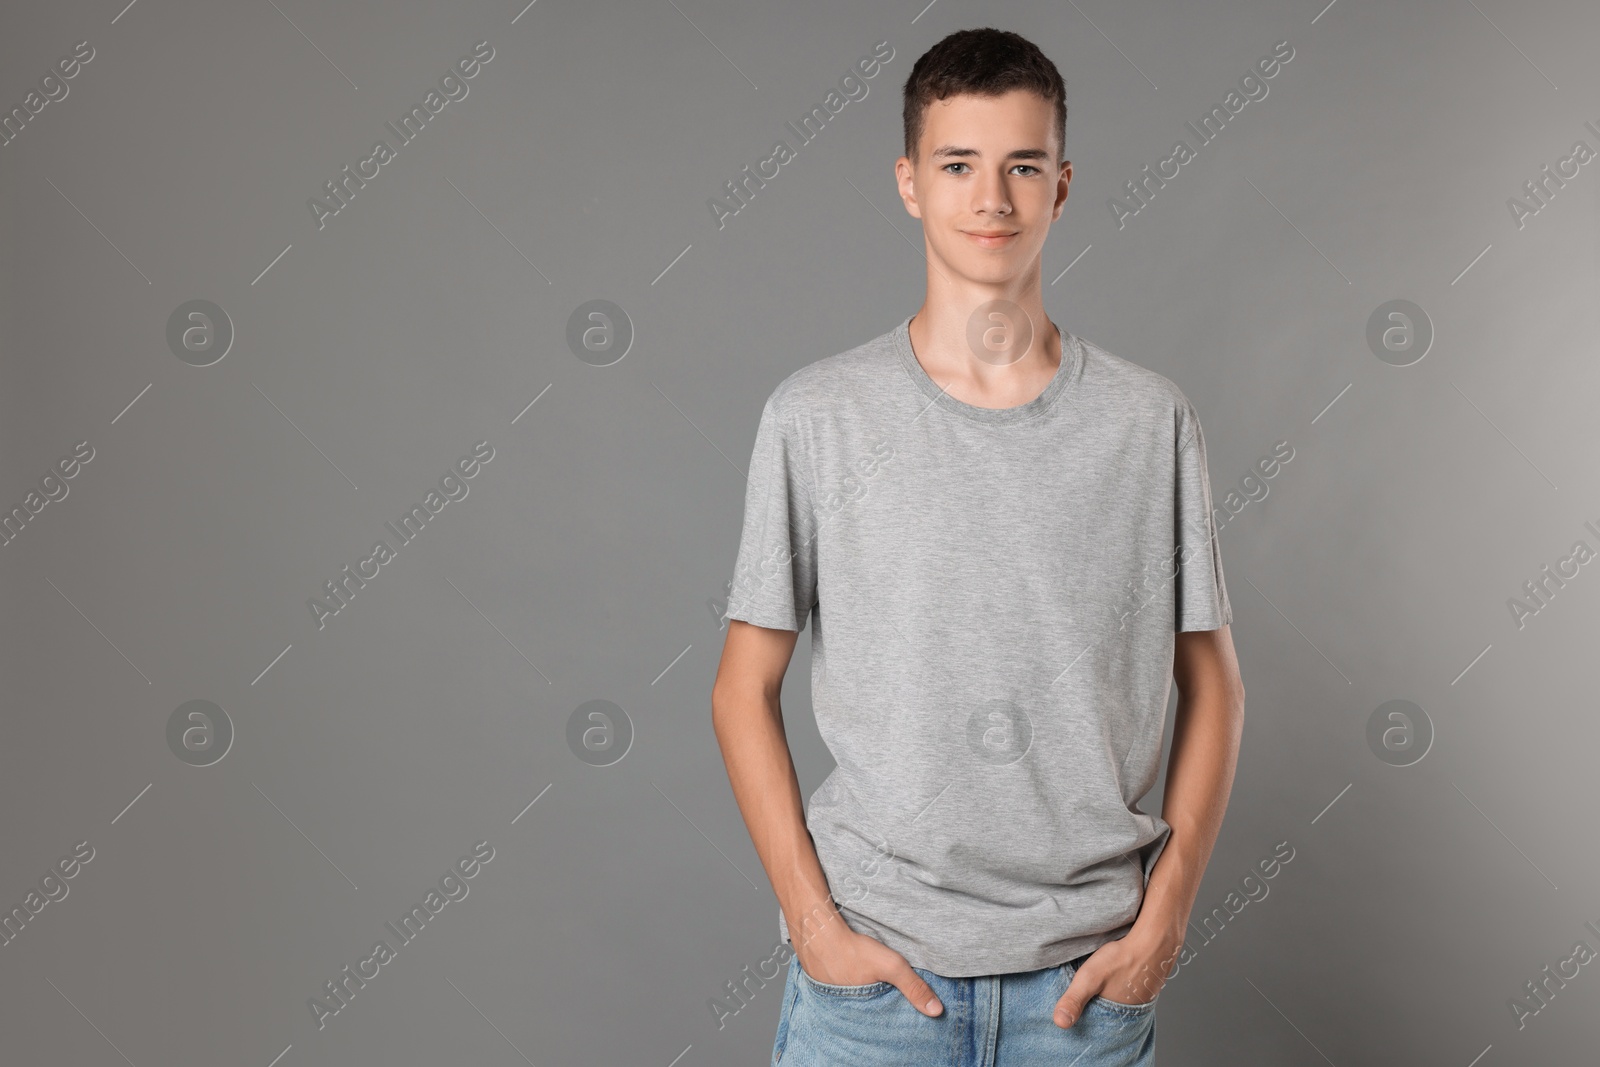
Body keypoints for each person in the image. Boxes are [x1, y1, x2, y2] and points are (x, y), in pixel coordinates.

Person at [711, 26, 1245, 1066]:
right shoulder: (818, 416)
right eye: (958, 165)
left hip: (1082, 993)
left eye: (1021, 165)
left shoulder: (1148, 421)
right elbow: (741, 687)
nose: (991, 197)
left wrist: (1165, 918)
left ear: (1062, 184)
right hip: (874, 985)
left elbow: (1213, 683)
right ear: (909, 182)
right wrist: (816, 926)